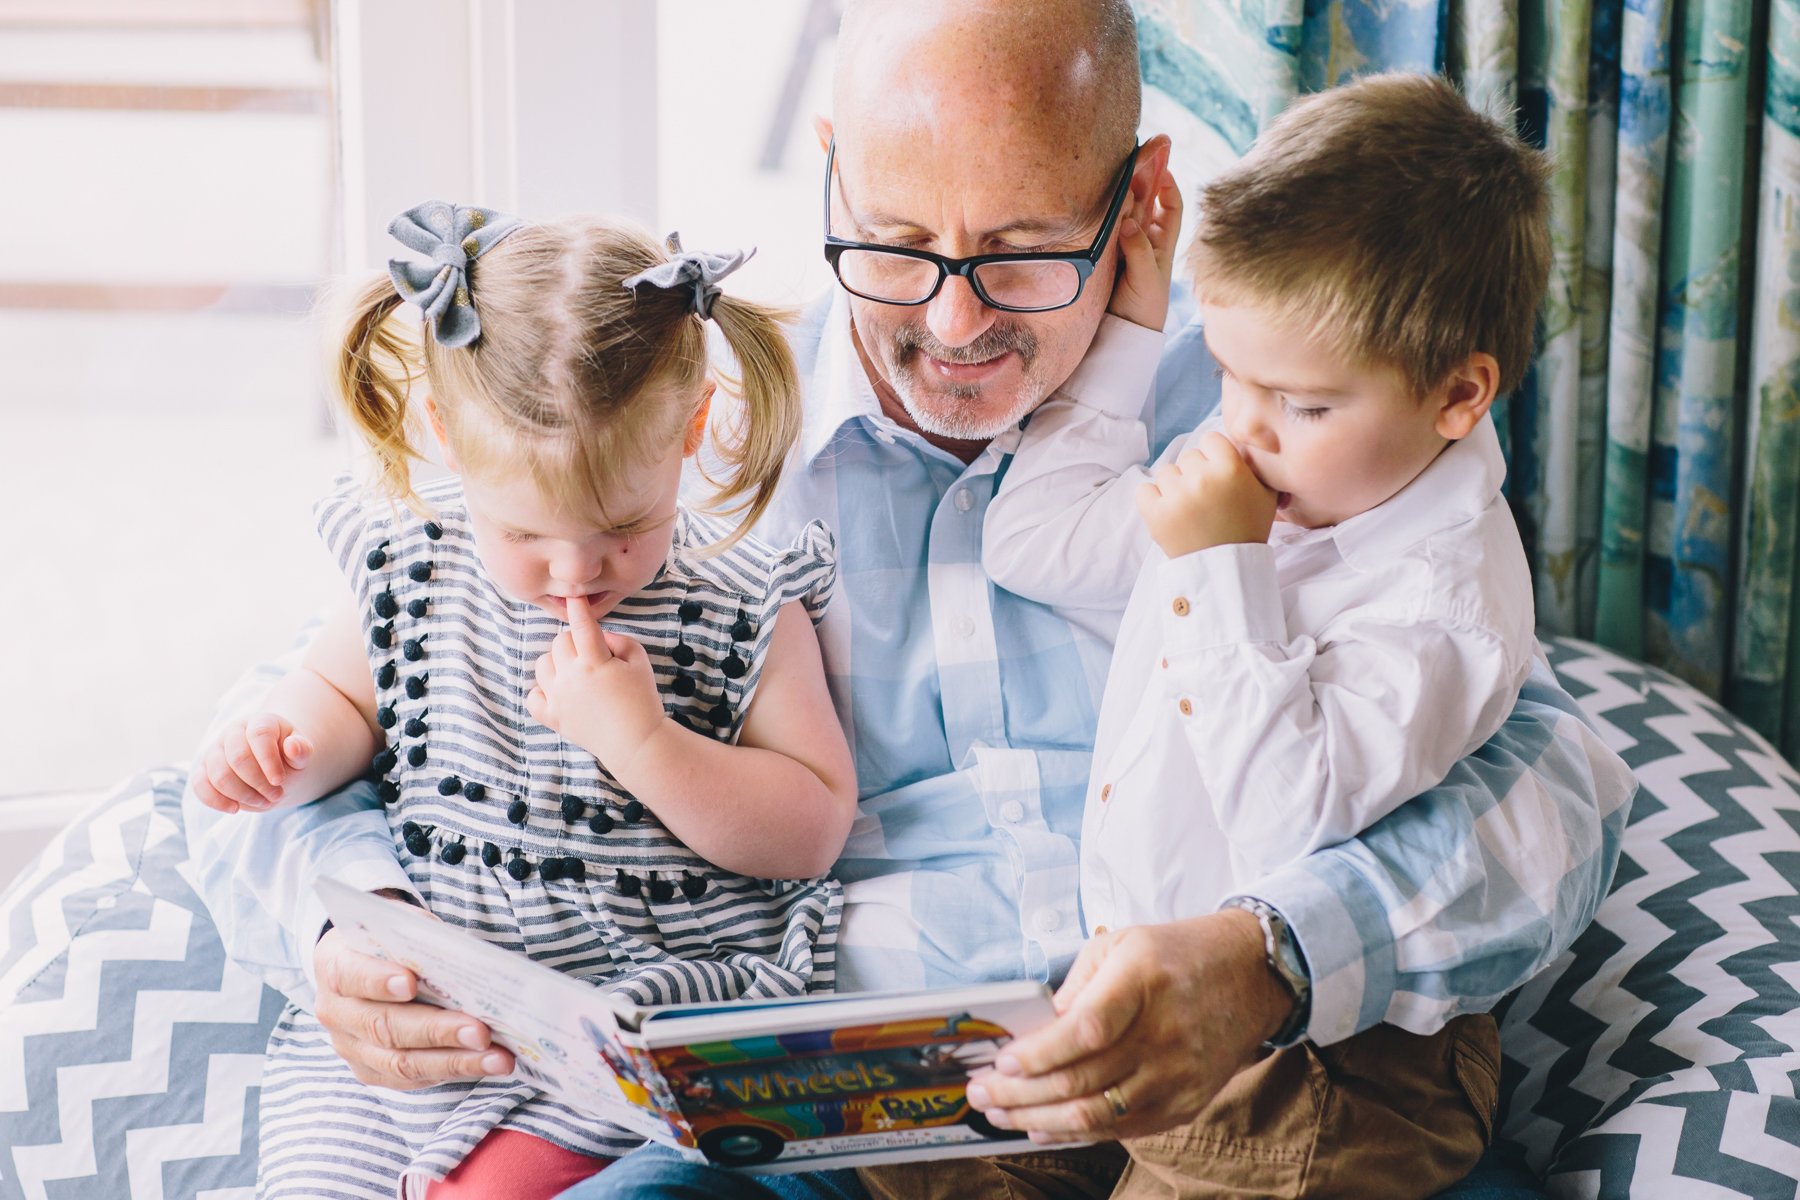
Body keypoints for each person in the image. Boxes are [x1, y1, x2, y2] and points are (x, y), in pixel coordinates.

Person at [181, 4, 1635, 1199]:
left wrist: (1272, 960)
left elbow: (1559, 784)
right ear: (829, 173)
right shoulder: (681, 450)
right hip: (855, 1122)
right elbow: (305, 732)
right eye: (895, 242)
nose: (952, 323)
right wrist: (335, 931)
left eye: (1018, 252)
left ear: (1137, 198)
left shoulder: (1292, 399)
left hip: (1245, 1061)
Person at [189, 203, 857, 1198]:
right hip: (437, 1013)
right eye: (527, 536)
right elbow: (336, 695)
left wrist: (647, 746)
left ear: (694, 427)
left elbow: (812, 828)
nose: (575, 573)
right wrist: (281, 745)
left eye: (624, 528)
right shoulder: (416, 568)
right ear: (447, 439)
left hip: (620, 1026)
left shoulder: (739, 601)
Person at [977, 73, 1547, 1198]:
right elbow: (1031, 541)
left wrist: (1218, 569)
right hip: (1154, 1017)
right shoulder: (1281, 465)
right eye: (1230, 372)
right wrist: (1139, 338)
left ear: (1457, 396)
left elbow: (1293, 818)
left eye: (1302, 401)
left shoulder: (1445, 603)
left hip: (1339, 1071)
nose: (1242, 425)